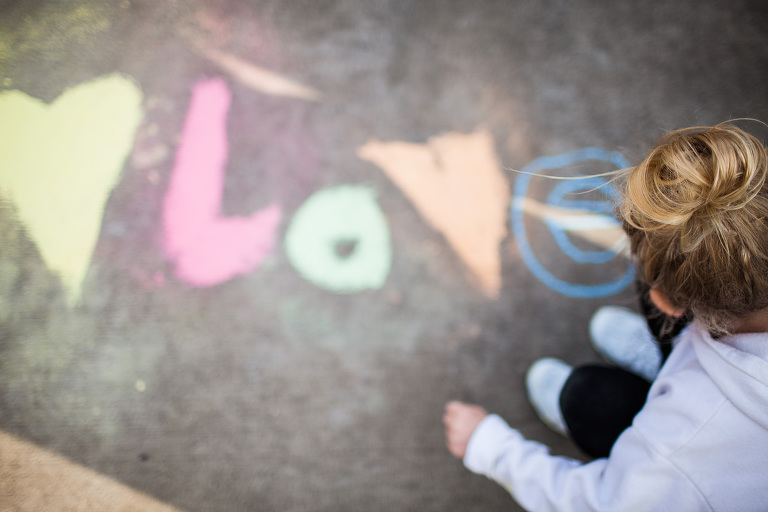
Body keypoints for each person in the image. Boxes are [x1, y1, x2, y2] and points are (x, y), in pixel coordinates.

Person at [443, 123, 768, 511]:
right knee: (678, 256)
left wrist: (490, 448)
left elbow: (597, 503)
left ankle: (646, 380)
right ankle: (670, 362)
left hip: (703, 435)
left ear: (672, 305)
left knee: (585, 396)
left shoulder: (683, 456)